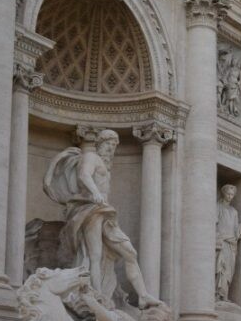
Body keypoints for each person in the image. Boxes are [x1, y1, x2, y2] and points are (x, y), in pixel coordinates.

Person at [44, 129, 159, 309]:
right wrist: (95, 193)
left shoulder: (105, 165)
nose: (111, 150)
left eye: (114, 146)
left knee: (130, 252)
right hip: (91, 208)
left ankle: (143, 296)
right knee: (94, 255)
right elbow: (84, 175)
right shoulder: (91, 157)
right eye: (109, 145)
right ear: (100, 144)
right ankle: (97, 296)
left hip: (104, 211)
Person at [215, 184, 241, 302]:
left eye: (232, 195)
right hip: (222, 242)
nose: (230, 196)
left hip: (231, 244)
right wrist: (218, 238)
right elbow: (213, 224)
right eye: (228, 194)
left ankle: (225, 295)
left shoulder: (234, 212)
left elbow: (236, 231)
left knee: (229, 271)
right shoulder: (218, 207)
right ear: (224, 194)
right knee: (220, 268)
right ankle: (218, 294)